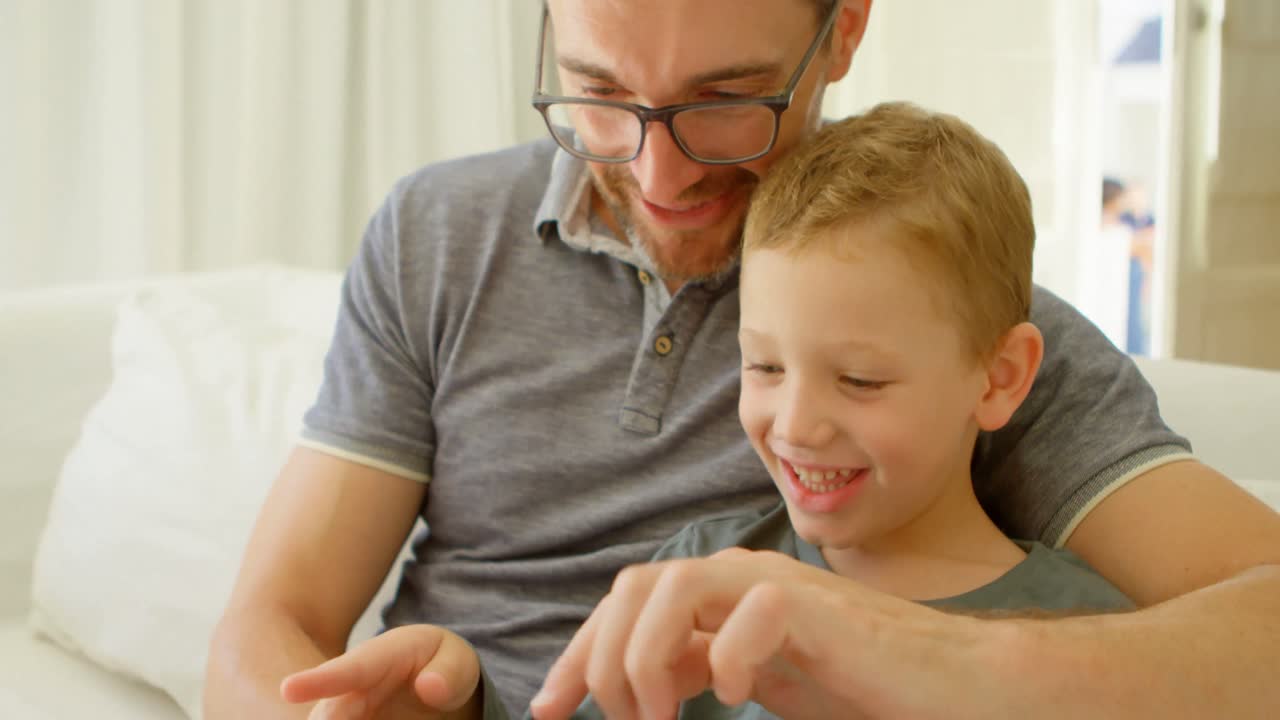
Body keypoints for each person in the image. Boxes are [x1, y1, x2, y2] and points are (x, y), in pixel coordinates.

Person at [204, 1, 1280, 718]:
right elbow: (267, 623)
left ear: (843, 28)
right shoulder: (435, 234)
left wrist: (896, 648)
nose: (658, 171)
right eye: (599, 91)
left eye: (727, 100)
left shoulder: (944, 327)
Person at [281, 101, 1138, 720]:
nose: (796, 424)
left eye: (861, 382)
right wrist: (462, 702)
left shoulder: (1095, 633)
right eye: (763, 365)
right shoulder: (698, 576)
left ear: (998, 379)